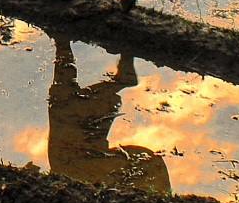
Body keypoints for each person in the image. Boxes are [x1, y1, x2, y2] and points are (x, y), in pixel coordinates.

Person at [47, 37, 169, 193]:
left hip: (79, 162)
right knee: (62, 101)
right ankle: (62, 43)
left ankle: (62, 43)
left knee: (62, 100)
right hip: (80, 164)